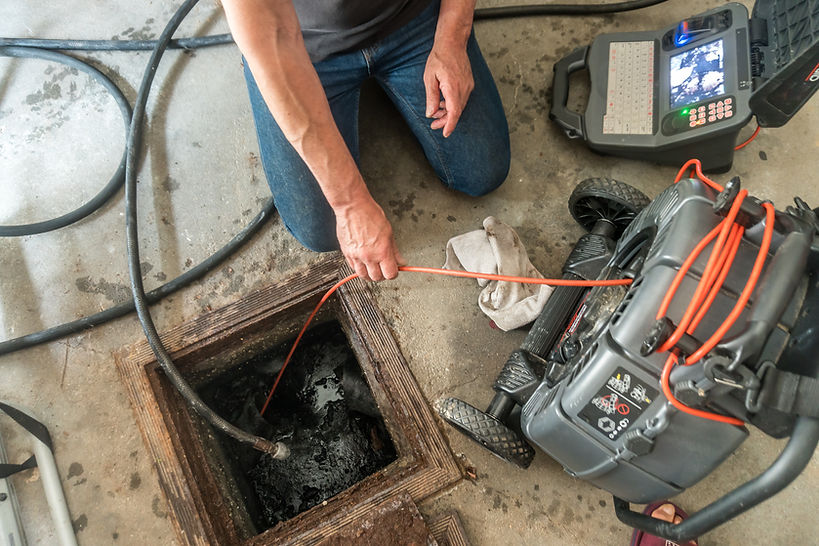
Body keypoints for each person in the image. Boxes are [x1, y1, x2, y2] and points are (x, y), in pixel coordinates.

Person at [221, 0, 511, 282]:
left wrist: (452, 38)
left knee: (482, 170)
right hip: (300, 49)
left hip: (412, 15)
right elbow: (275, 42)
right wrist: (349, 203)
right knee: (323, 229)